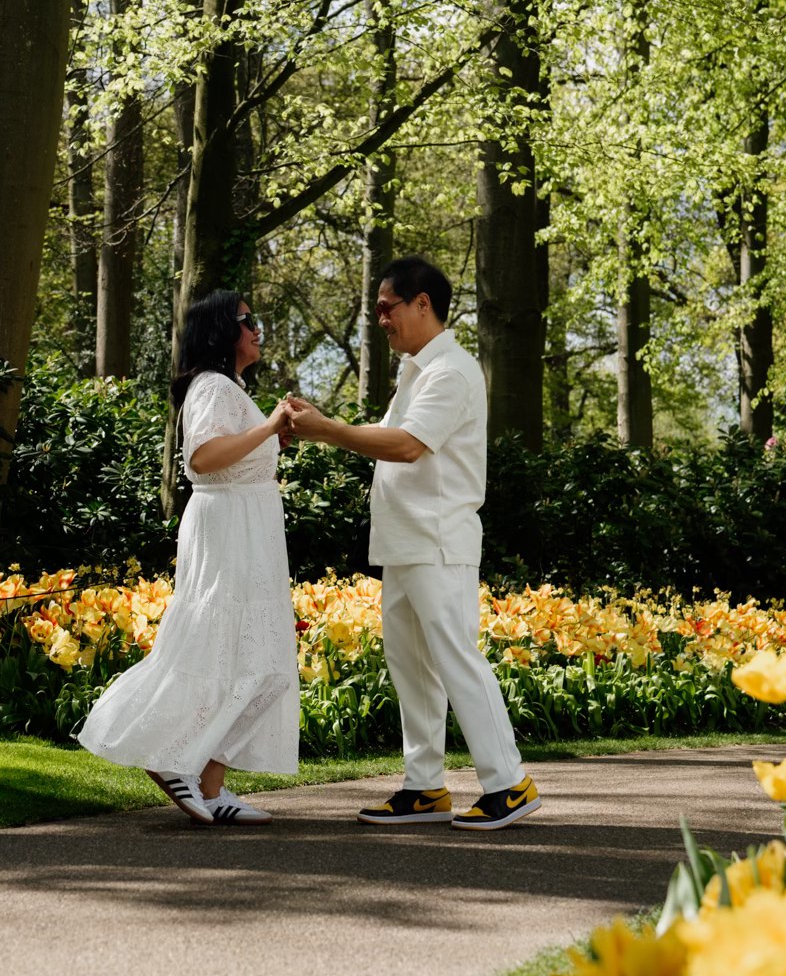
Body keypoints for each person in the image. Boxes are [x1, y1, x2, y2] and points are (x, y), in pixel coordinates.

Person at [288, 256, 539, 832]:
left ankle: (509, 783)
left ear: (422, 303)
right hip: (405, 542)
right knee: (411, 668)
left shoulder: (450, 370)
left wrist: (327, 430)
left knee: (456, 661)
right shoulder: (416, 370)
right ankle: (425, 788)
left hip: (438, 539)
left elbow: (406, 446)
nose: (380, 318)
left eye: (387, 307)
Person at [77, 290, 299, 826]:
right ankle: (171, 758)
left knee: (262, 664)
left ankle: (212, 786)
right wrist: (269, 427)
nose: (257, 329)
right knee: (216, 651)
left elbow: (235, 455)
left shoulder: (233, 389)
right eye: (248, 321)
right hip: (227, 536)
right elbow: (202, 458)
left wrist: (273, 437)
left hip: (252, 535)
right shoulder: (212, 385)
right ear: (221, 332)